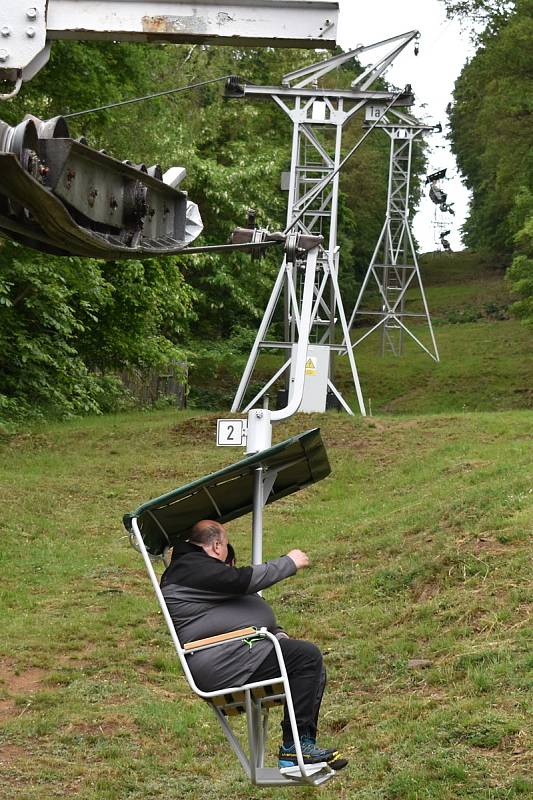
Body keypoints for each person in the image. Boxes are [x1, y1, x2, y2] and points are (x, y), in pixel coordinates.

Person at [160, 519, 347, 771]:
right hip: (225, 661)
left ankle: (302, 747)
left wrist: (278, 635)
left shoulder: (196, 571)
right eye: (226, 552)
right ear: (217, 546)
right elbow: (240, 581)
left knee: (310, 664)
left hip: (238, 653)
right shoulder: (190, 568)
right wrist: (289, 562)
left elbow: (236, 614)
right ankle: (295, 748)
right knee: (305, 657)